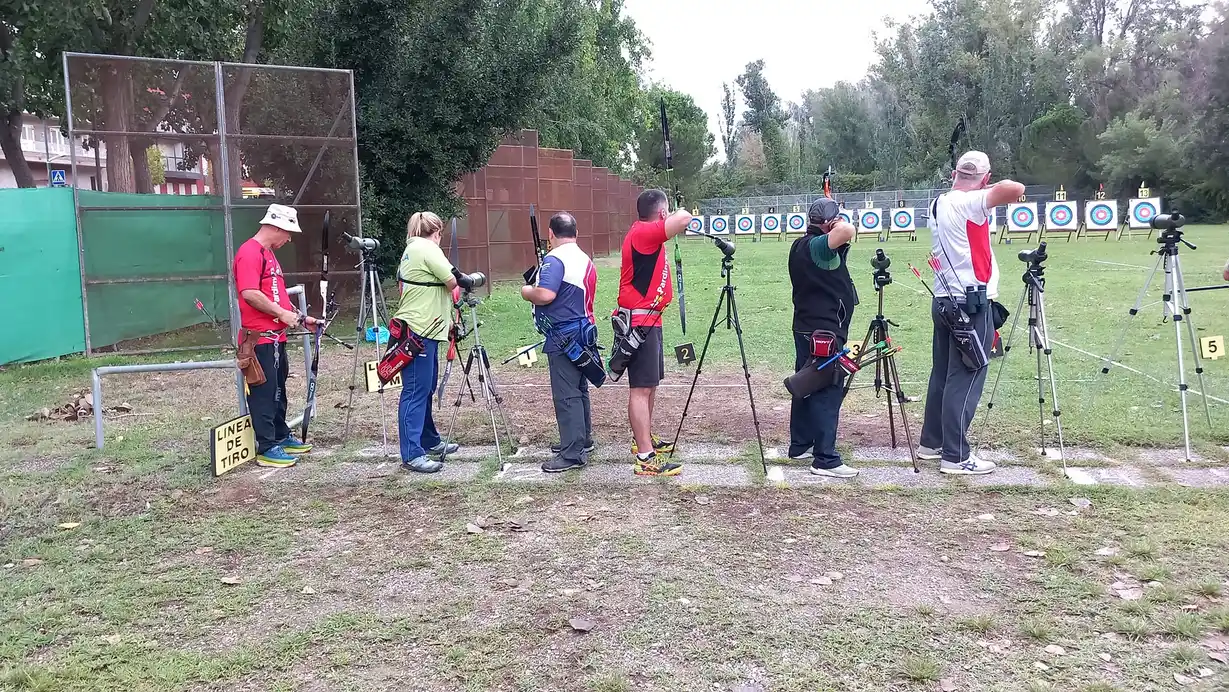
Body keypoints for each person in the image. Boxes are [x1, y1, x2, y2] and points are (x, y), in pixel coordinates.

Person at [918, 151, 1024, 474]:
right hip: (969, 304)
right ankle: (956, 456)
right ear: (986, 179)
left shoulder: (938, 203)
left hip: (943, 301)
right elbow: (1016, 189)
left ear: (953, 175)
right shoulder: (972, 202)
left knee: (943, 375)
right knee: (967, 376)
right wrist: (984, 190)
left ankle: (931, 442)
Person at [233, 204, 320, 468]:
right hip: (259, 338)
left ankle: (280, 435)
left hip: (276, 337)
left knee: (278, 390)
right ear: (277, 227)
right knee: (264, 392)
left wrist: (301, 318)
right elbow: (249, 293)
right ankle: (267, 446)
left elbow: (276, 295)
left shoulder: (269, 254)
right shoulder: (249, 253)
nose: (289, 238)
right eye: (288, 232)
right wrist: (281, 314)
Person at [617, 189, 692, 476]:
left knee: (650, 385)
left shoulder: (647, 233)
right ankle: (646, 457)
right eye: (666, 211)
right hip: (640, 323)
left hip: (650, 320)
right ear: (661, 213)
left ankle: (644, 440)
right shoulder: (644, 233)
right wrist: (675, 212)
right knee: (640, 388)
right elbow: (683, 218)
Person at [786, 198, 859, 478]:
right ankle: (825, 459)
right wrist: (838, 224)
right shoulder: (820, 247)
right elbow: (846, 231)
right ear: (828, 224)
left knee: (805, 382)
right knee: (828, 388)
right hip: (824, 329)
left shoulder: (800, 244)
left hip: (806, 325)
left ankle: (800, 444)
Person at [520, 212, 598, 473]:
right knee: (579, 389)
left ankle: (572, 452)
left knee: (566, 394)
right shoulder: (583, 257)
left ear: (551, 235)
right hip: (583, 331)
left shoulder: (555, 259)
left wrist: (526, 291)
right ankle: (582, 439)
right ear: (575, 232)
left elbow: (545, 293)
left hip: (564, 335)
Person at [392, 211, 465, 473]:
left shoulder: (413, 248)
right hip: (419, 331)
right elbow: (451, 280)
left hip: (424, 328)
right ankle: (412, 453)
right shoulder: (427, 248)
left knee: (425, 388)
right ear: (436, 232)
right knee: (415, 391)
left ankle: (428, 439)